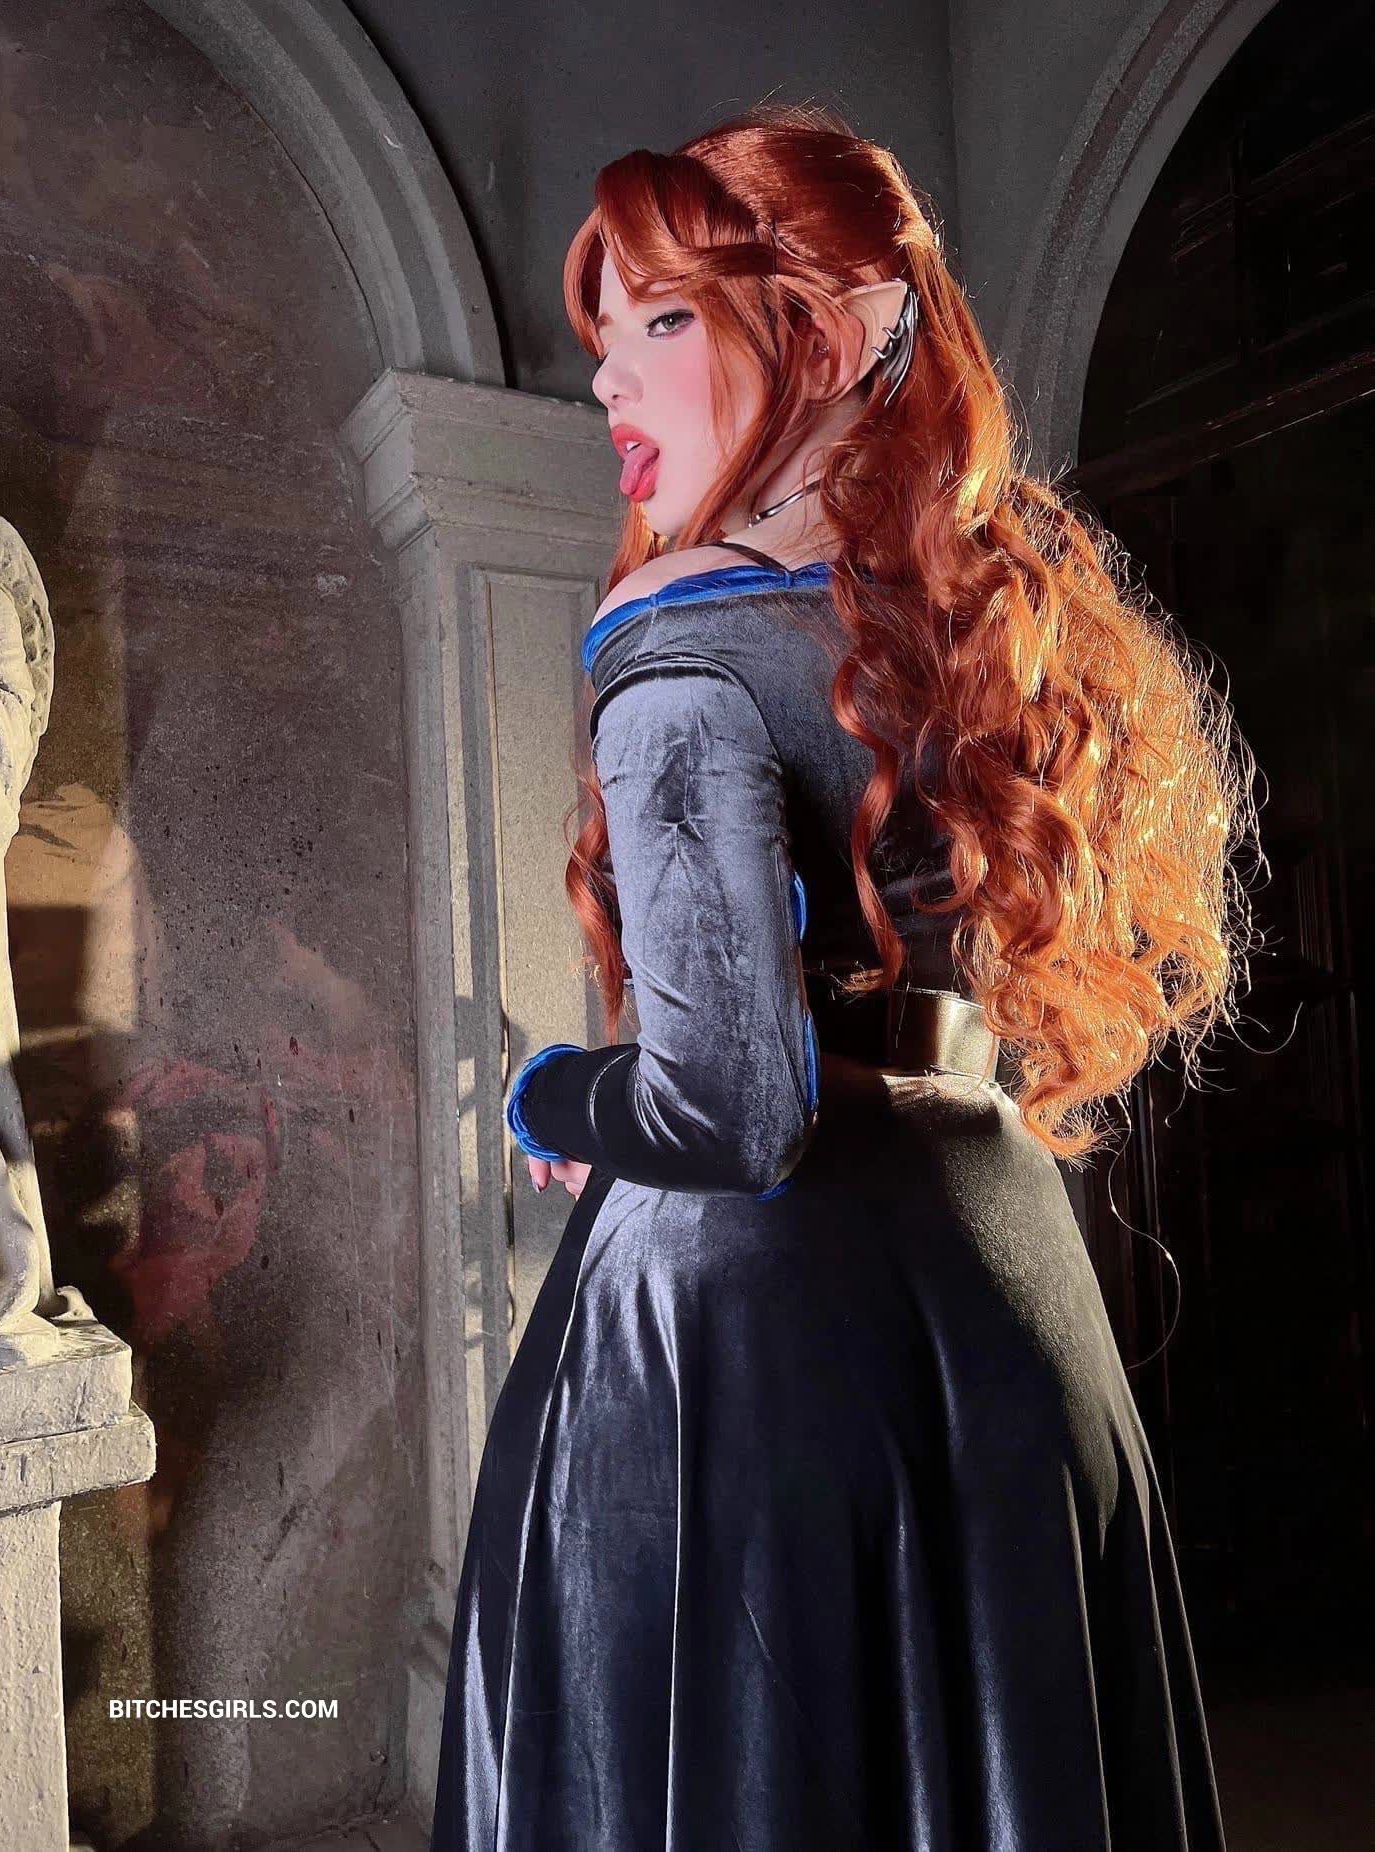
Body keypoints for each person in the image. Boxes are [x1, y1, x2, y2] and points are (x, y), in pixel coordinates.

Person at [431, 100, 1254, 1850]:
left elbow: (731, 1109)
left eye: (662, 320)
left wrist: (553, 1096)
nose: (607, 380)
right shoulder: (971, 618)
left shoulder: (675, 634)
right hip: (996, 1263)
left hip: (746, 1343)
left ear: (821, 337)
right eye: (605, 334)